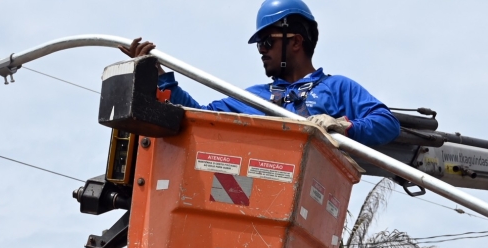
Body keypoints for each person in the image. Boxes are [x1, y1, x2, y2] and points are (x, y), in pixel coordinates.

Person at [118, 0, 401, 147]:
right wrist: (161, 77)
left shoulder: (338, 88)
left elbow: (386, 123)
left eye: (268, 42)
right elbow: (198, 116)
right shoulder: (256, 98)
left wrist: (344, 126)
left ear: (295, 41)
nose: (261, 50)